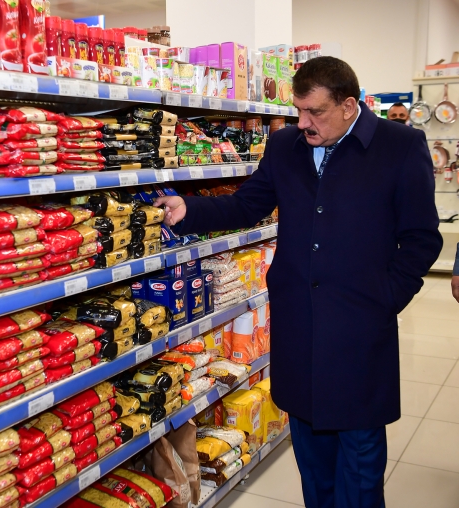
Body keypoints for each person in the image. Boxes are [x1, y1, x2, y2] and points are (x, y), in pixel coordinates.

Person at [155, 56, 441, 508]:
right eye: (298, 111)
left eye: (315, 112)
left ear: (348, 106)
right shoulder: (285, 145)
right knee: (311, 457)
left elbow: (422, 239)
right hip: (299, 326)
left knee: (361, 460)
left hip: (359, 329)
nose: (303, 123)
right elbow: (248, 205)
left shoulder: (399, 146)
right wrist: (191, 209)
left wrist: (384, 299)